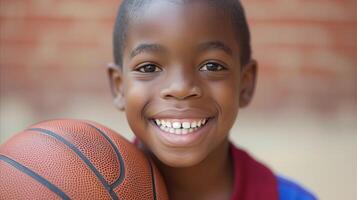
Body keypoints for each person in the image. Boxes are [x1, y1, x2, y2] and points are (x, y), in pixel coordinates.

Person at [107, 0, 317, 199]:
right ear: (119, 87)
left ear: (245, 83)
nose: (181, 89)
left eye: (212, 66)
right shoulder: (83, 192)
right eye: (149, 68)